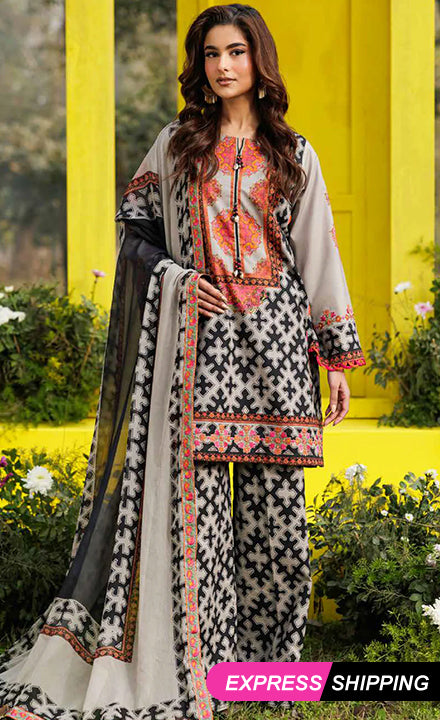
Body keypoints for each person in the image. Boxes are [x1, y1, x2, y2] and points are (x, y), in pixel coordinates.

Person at [0, 4, 366, 720]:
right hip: (197, 353)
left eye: (236, 52)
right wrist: (175, 276)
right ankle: (205, 667)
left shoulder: (295, 152)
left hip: (278, 355)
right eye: (211, 54)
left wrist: (336, 357)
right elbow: (134, 233)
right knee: (196, 531)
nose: (223, 66)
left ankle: (272, 674)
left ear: (259, 60)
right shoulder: (178, 145)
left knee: (278, 531)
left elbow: (317, 252)